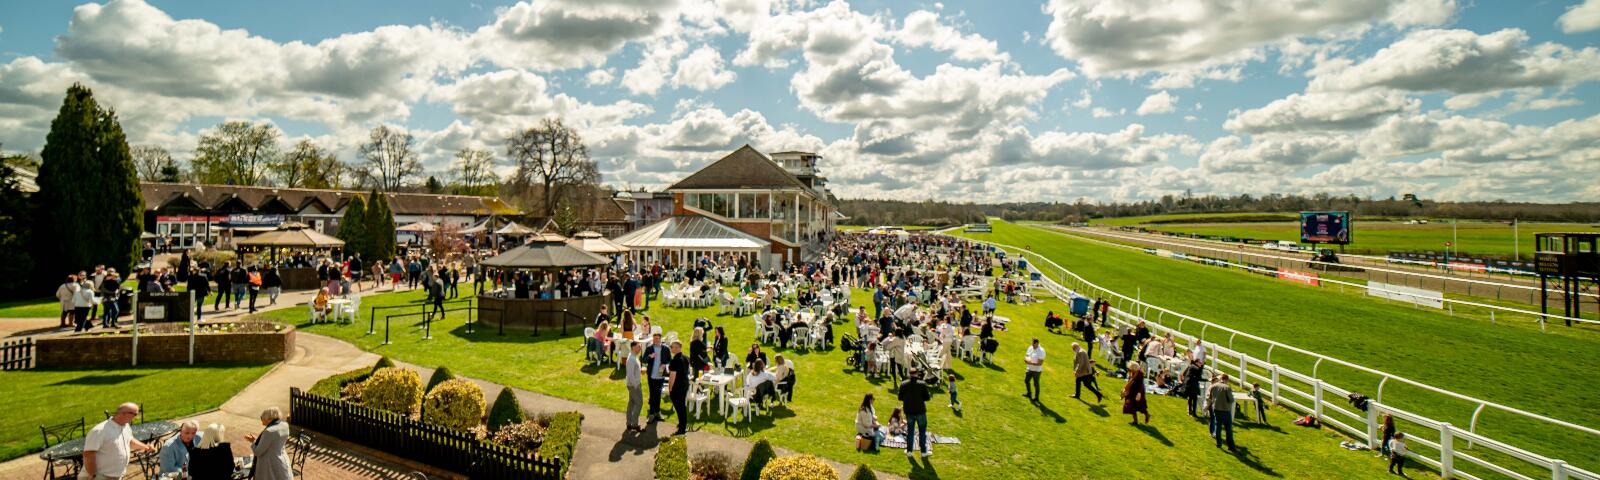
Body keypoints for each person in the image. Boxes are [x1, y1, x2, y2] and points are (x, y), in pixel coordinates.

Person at [81, 402, 156, 480]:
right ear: (123, 413)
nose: (137, 417)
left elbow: (130, 441)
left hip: (116, 476)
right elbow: (88, 454)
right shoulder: (99, 431)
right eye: (135, 414)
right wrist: (92, 475)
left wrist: (146, 447)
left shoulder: (125, 426)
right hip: (100, 476)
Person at [244, 407, 293, 480]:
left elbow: (258, 452)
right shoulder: (285, 425)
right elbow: (273, 442)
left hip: (269, 465)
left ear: (269, 419)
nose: (261, 420)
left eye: (262, 418)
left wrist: (253, 442)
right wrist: (257, 440)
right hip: (282, 460)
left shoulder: (269, 431)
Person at [898, 369, 932, 458]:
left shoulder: (904, 384)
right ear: (917, 374)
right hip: (920, 410)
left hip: (909, 411)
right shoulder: (922, 384)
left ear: (909, 374)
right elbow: (927, 398)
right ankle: (923, 452)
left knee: (910, 431)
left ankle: (909, 451)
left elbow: (900, 397)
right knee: (922, 432)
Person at [643, 333, 670, 422]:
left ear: (660, 339)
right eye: (654, 339)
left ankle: (657, 413)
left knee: (658, 394)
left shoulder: (665, 349)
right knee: (652, 394)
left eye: (658, 339)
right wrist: (650, 356)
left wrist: (665, 365)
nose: (656, 340)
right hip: (651, 375)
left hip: (661, 376)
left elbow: (670, 360)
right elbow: (643, 360)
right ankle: (651, 414)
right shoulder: (649, 348)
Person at [668, 340, 692, 435]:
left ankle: (682, 429)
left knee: (679, 407)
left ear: (677, 348)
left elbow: (672, 377)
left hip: (677, 387)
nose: (671, 348)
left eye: (672, 347)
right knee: (682, 406)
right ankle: (682, 424)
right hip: (685, 384)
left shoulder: (675, 361)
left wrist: (670, 388)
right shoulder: (686, 357)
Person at [1207, 373, 1236, 450]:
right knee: (1228, 429)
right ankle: (1231, 446)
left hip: (1216, 409)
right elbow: (1231, 400)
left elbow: (1210, 397)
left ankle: (1218, 443)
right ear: (1227, 380)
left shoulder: (1214, 386)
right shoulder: (1227, 387)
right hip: (1225, 410)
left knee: (1218, 426)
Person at [624, 341, 645, 432]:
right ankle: (634, 424)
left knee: (632, 403)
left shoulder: (633, 357)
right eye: (638, 347)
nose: (640, 348)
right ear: (633, 348)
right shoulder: (632, 359)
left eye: (640, 346)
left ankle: (629, 423)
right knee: (639, 403)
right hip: (634, 385)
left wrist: (641, 370)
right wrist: (636, 385)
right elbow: (630, 375)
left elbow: (634, 371)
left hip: (632, 384)